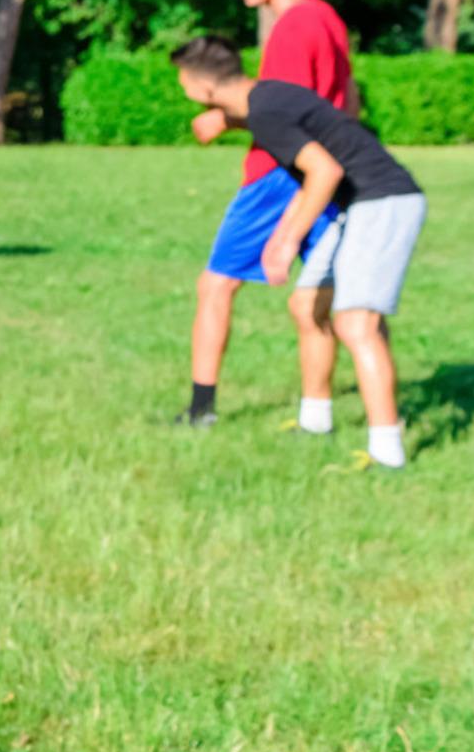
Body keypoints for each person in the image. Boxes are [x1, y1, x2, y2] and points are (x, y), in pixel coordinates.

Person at [170, 36, 422, 470]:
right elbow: (298, 125)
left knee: (356, 322)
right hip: (364, 203)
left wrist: (285, 240)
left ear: (202, 86)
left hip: (384, 201)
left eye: (183, 82)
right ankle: (316, 421)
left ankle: (387, 452)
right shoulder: (266, 97)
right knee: (307, 307)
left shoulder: (265, 111)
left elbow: (325, 169)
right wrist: (228, 123)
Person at [176, 0, 350, 430]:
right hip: (326, 173)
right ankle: (316, 418)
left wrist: (223, 118)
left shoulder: (294, 27)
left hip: (277, 173)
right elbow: (347, 96)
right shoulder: (328, 18)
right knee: (316, 300)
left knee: (215, 286)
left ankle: (200, 411)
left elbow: (283, 113)